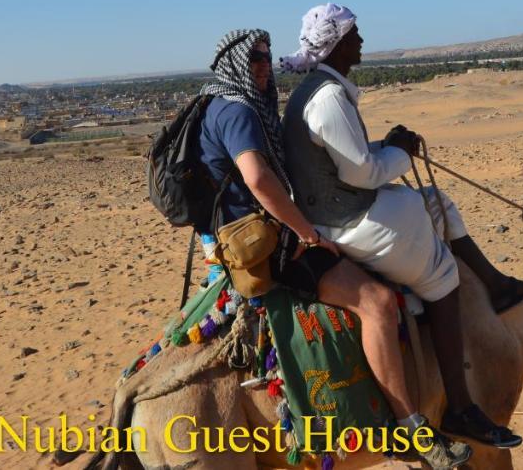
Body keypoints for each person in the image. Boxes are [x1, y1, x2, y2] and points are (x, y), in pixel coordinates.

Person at [280, 5, 523, 450]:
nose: (361, 41)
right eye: (354, 34)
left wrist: (387, 145)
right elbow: (362, 174)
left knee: (437, 203)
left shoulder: (322, 90)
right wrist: (401, 153)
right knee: (443, 280)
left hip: (343, 208)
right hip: (345, 221)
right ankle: (461, 407)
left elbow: (345, 157)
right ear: (337, 43)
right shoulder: (327, 97)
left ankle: (497, 284)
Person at [197, 29, 470, 470]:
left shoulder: (215, 106)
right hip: (274, 245)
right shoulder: (237, 112)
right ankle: (411, 427)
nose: (264, 66)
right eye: (254, 59)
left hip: (245, 238)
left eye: (267, 57)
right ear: (233, 66)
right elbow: (258, 179)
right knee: (378, 303)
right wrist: (306, 233)